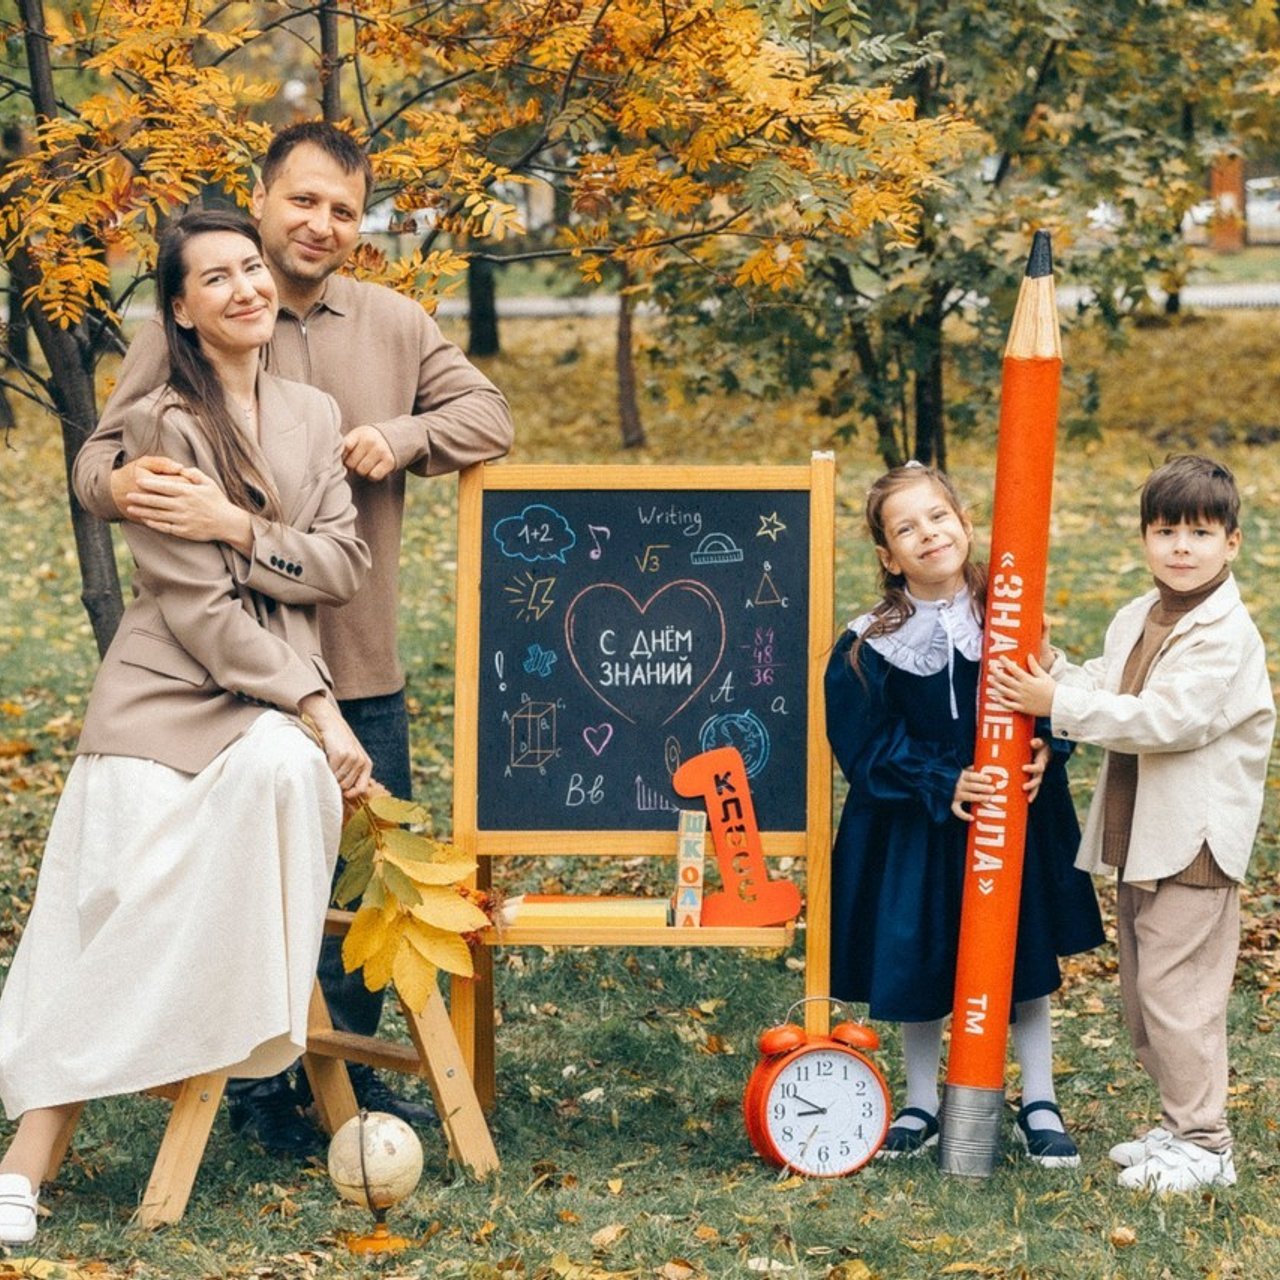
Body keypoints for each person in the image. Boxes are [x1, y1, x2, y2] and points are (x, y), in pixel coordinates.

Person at [72, 121, 514, 1153]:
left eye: (343, 211)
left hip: (356, 650)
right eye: (303, 200)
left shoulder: (394, 323)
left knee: (362, 885)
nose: (320, 224)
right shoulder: (192, 321)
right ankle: (254, 1082)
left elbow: (488, 416)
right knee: (248, 879)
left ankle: (341, 1081)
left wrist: (401, 435)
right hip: (229, 669)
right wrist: (123, 486)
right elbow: (97, 460)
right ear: (263, 197)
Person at [0, 210, 374, 1245]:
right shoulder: (165, 423)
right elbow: (201, 608)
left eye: (251, 267)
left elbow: (344, 565)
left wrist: (237, 526)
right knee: (120, 886)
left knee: (282, 775)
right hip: (167, 696)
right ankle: (29, 1151)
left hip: (272, 701)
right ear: (180, 310)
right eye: (216, 278)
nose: (246, 287)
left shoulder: (313, 411)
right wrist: (315, 702)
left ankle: (51, 1127)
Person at [990, 455, 1275, 1193]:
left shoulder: (1225, 635)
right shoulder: (1139, 615)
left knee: (1181, 998)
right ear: (1145, 539)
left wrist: (1055, 704)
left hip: (1194, 841)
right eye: (1165, 531)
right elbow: (1103, 683)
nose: (1181, 547)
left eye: (1200, 533)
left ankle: (1206, 1144)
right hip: (1142, 836)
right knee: (1147, 994)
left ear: (1232, 544)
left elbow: (1165, 720)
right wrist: (1050, 668)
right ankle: (1180, 1125)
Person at [825, 462, 1104, 1166]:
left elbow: (1052, 692)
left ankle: (1039, 1097)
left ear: (966, 525)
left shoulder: (1010, 616)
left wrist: (1048, 747)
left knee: (1021, 950)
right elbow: (863, 744)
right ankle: (922, 1100)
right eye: (906, 529)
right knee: (919, 953)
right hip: (917, 824)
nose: (928, 534)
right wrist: (940, 779)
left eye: (938, 517)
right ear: (889, 556)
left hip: (1011, 815)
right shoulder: (867, 645)